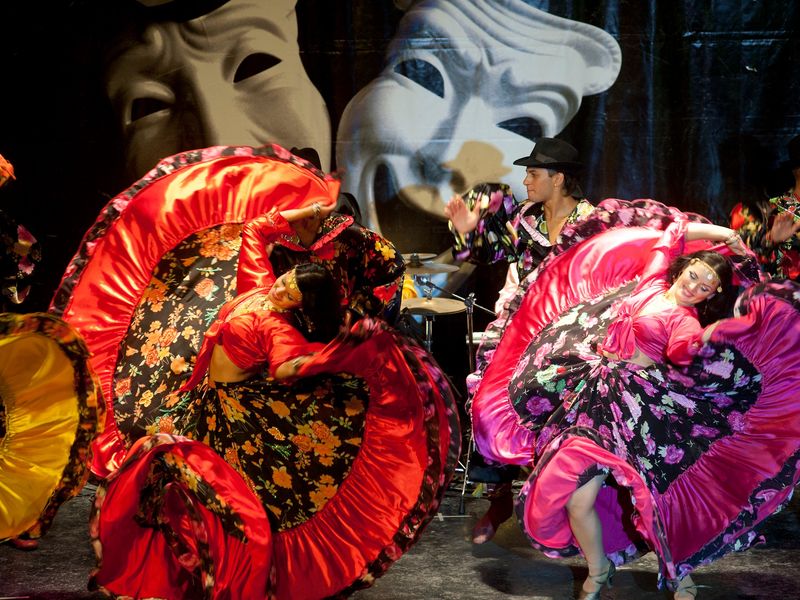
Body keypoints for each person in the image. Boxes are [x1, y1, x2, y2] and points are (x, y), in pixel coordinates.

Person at [471, 198, 800, 599]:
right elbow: (673, 234)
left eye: (705, 287)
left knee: (656, 501)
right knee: (577, 500)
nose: (693, 287)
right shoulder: (652, 282)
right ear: (683, 268)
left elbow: (684, 353)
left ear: (709, 296)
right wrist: (726, 235)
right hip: (593, 399)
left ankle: (680, 575)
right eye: (693, 275)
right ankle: (598, 570)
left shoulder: (684, 322)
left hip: (636, 410)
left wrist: (713, 339)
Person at [443, 138, 594, 544]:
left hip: (572, 327)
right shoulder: (525, 217)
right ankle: (498, 497)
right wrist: (468, 233)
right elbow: (492, 253)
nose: (526, 181)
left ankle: (564, 507)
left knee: (562, 413)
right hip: (520, 323)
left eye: (533, 173)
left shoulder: (592, 221)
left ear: (558, 178)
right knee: (487, 399)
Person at [237, 192, 406, 324]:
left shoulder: (347, 233)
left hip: (349, 329)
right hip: (298, 331)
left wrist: (358, 312)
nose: (286, 215)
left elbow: (393, 266)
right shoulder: (278, 243)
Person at [730, 133, 800, 280]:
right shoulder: (756, 211)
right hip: (778, 292)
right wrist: (771, 239)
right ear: (797, 171)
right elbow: (739, 258)